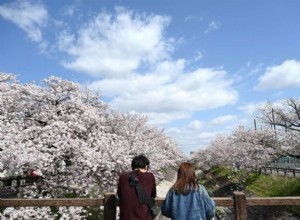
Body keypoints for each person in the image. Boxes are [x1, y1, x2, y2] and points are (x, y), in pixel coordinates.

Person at [117, 154, 157, 220]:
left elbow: (119, 194)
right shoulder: (150, 176)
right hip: (143, 216)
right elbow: (153, 194)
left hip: (126, 217)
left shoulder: (123, 177)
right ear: (146, 166)